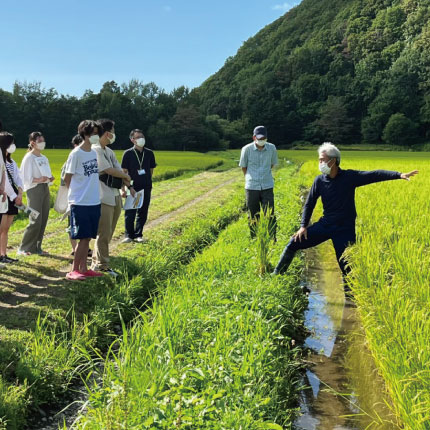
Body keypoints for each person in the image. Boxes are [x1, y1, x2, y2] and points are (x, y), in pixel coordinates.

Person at [272, 142, 418, 294]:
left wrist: (399, 175)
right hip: (326, 225)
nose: (320, 163)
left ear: (333, 161)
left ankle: (350, 300)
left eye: (322, 159)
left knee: (347, 267)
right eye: (319, 160)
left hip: (344, 230)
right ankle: (276, 276)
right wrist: (303, 226)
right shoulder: (319, 181)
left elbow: (374, 175)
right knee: (294, 242)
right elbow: (309, 204)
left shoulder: (349, 177)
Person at [91, 119, 131, 276]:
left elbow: (118, 168)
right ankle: (102, 265)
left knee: (110, 231)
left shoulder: (108, 151)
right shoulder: (96, 150)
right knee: (104, 232)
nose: (114, 134)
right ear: (107, 133)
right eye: (113, 131)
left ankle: (98, 261)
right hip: (103, 196)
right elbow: (109, 170)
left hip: (114, 195)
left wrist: (124, 178)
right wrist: (125, 177)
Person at [64, 120, 102, 281]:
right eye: (93, 133)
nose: (96, 136)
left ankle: (84, 268)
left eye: (97, 133)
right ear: (85, 134)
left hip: (94, 200)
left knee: (87, 237)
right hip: (80, 202)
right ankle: (73, 270)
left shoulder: (93, 153)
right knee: (81, 236)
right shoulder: (76, 154)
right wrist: (75, 193)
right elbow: (67, 178)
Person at [18, 132, 54, 255]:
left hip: (45, 188)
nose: (42, 143)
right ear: (32, 143)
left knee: (43, 219)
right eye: (39, 141)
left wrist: (50, 178)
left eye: (43, 140)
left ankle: (37, 247)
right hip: (34, 190)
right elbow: (24, 177)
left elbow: (47, 173)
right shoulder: (29, 158)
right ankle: (24, 248)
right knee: (35, 218)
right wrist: (39, 180)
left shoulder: (43, 158)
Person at [239, 125, 278, 238]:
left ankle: (272, 239)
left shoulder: (272, 148)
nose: (262, 141)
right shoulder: (246, 149)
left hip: (267, 185)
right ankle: (255, 238)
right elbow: (243, 167)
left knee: (270, 214)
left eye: (263, 138)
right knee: (253, 215)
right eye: (259, 138)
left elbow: (272, 164)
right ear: (254, 137)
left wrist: (264, 174)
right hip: (252, 187)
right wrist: (251, 177)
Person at [121, 129, 156, 243]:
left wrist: (147, 181)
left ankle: (138, 234)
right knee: (130, 211)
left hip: (146, 186)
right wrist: (126, 188)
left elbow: (151, 170)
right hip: (133, 186)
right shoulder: (128, 153)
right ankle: (128, 235)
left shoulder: (149, 153)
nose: (142, 139)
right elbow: (124, 172)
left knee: (143, 211)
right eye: (138, 137)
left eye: (142, 136)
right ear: (132, 140)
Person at [60, 134, 93, 257]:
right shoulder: (72, 158)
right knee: (72, 225)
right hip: (75, 198)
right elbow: (65, 179)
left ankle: (85, 249)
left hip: (85, 198)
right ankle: (75, 249)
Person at [0, 132, 23, 263]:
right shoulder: (0, 160)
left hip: (13, 197)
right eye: (11, 143)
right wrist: (15, 196)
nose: (13, 146)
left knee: (6, 228)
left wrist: (20, 193)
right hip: (6, 197)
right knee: (1, 228)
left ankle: (4, 254)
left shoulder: (11, 161)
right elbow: (5, 183)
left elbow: (18, 178)